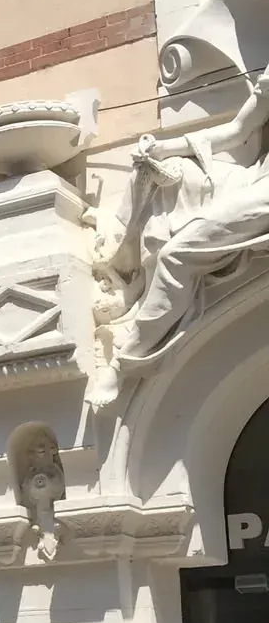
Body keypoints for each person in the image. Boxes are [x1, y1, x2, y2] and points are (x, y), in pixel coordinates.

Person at [90, 55, 269, 405]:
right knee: (174, 173)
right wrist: (164, 146)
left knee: (176, 256)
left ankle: (125, 361)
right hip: (256, 181)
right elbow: (238, 130)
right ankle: (124, 263)